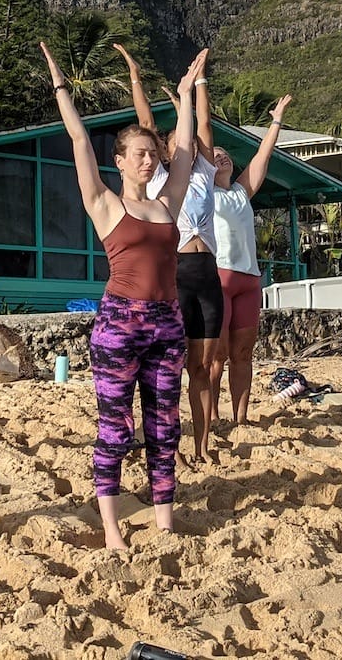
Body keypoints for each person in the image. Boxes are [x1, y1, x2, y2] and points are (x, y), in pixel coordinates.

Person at [43, 42, 205, 549]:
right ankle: (112, 527)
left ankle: (162, 520)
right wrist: (60, 87)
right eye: (139, 153)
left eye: (151, 153)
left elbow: (185, 156)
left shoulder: (166, 204)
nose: (148, 159)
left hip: (168, 322)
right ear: (119, 160)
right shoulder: (105, 204)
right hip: (120, 322)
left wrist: (185, 95)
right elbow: (77, 141)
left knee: (164, 424)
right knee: (115, 424)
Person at [113, 43, 222, 464]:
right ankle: (169, 446)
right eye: (177, 143)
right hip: (175, 274)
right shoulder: (161, 176)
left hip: (208, 273)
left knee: (205, 368)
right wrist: (135, 75)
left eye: (189, 142)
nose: (186, 146)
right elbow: (145, 121)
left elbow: (204, 123)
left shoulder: (206, 172)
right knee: (170, 371)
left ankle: (203, 444)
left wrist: (197, 85)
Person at [207, 93, 293, 427]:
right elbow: (197, 146)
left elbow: (262, 158)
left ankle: (240, 418)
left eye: (225, 156)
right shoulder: (202, 193)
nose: (221, 159)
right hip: (217, 276)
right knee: (217, 355)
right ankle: (212, 416)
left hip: (248, 279)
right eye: (214, 156)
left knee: (242, 354)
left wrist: (276, 121)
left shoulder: (240, 192)